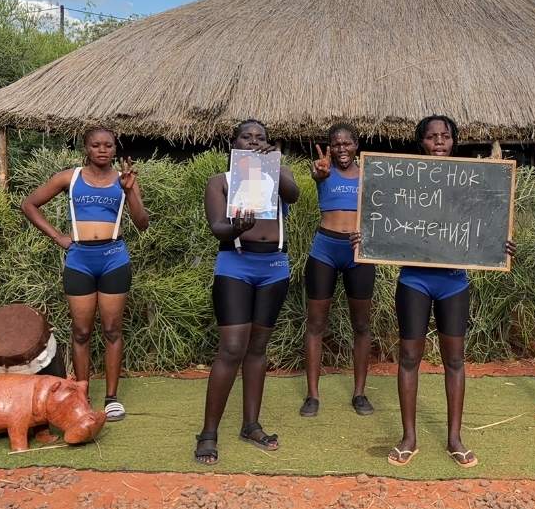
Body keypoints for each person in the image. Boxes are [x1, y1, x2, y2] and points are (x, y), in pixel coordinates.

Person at [351, 115, 516, 469]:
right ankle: (409, 437)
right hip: (414, 280)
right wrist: (365, 237)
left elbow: (488, 224)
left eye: (445, 136)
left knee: (455, 360)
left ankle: (454, 438)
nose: (438, 142)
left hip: (454, 281)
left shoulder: (472, 181)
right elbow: (382, 219)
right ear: (421, 143)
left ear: (454, 141)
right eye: (431, 137)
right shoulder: (405, 178)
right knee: (409, 358)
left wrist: (500, 243)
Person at [21, 127, 149, 422]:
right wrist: (56, 236)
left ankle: (111, 398)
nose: (102, 150)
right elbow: (29, 204)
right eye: (96, 145)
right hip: (80, 260)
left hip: (114, 259)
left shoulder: (124, 180)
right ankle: (81, 395)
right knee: (81, 332)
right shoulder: (71, 178)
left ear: (115, 149)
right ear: (86, 149)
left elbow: (142, 223)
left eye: (108, 145)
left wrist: (130, 192)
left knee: (112, 330)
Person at [195, 120, 300, 465]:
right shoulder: (221, 182)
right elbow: (217, 229)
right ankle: (208, 432)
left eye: (261, 139)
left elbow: (294, 195)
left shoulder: (277, 172)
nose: (254, 142)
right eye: (247, 137)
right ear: (234, 143)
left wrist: (273, 163)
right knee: (232, 348)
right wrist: (236, 226)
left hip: (274, 268)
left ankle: (250, 424)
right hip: (236, 266)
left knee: (257, 347)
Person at [301, 124, 377, 418]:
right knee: (316, 324)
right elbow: (316, 172)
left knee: (362, 325)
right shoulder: (324, 170)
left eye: (347, 144)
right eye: (336, 144)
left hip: (358, 254)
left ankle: (360, 393)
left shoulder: (370, 175)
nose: (341, 149)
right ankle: (312, 395)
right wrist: (318, 171)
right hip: (325, 252)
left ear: (356, 145)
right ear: (329, 147)